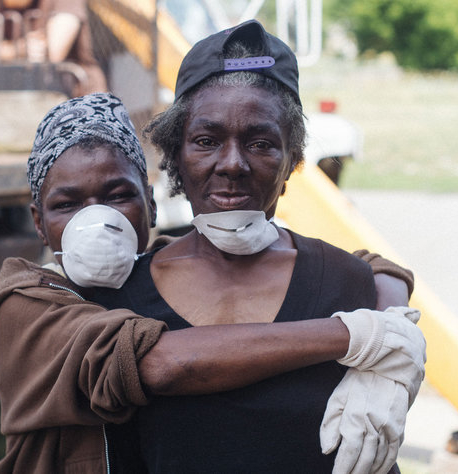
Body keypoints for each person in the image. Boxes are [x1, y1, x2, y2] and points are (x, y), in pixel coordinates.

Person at [0, 93, 423, 473]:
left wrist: (394, 325)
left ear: (150, 206)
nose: (97, 221)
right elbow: (160, 363)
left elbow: (366, 264)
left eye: (118, 196)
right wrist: (359, 335)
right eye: (68, 204)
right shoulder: (26, 303)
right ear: (39, 224)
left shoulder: (154, 268)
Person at [88, 21, 425, 473]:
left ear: (294, 161)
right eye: (206, 141)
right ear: (174, 155)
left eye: (261, 143)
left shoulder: (349, 285)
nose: (232, 164)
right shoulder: (118, 296)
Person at [0, 0, 107, 96]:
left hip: (76, 97)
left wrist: (1, 50)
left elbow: (54, 51)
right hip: (22, 99)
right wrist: (21, 49)